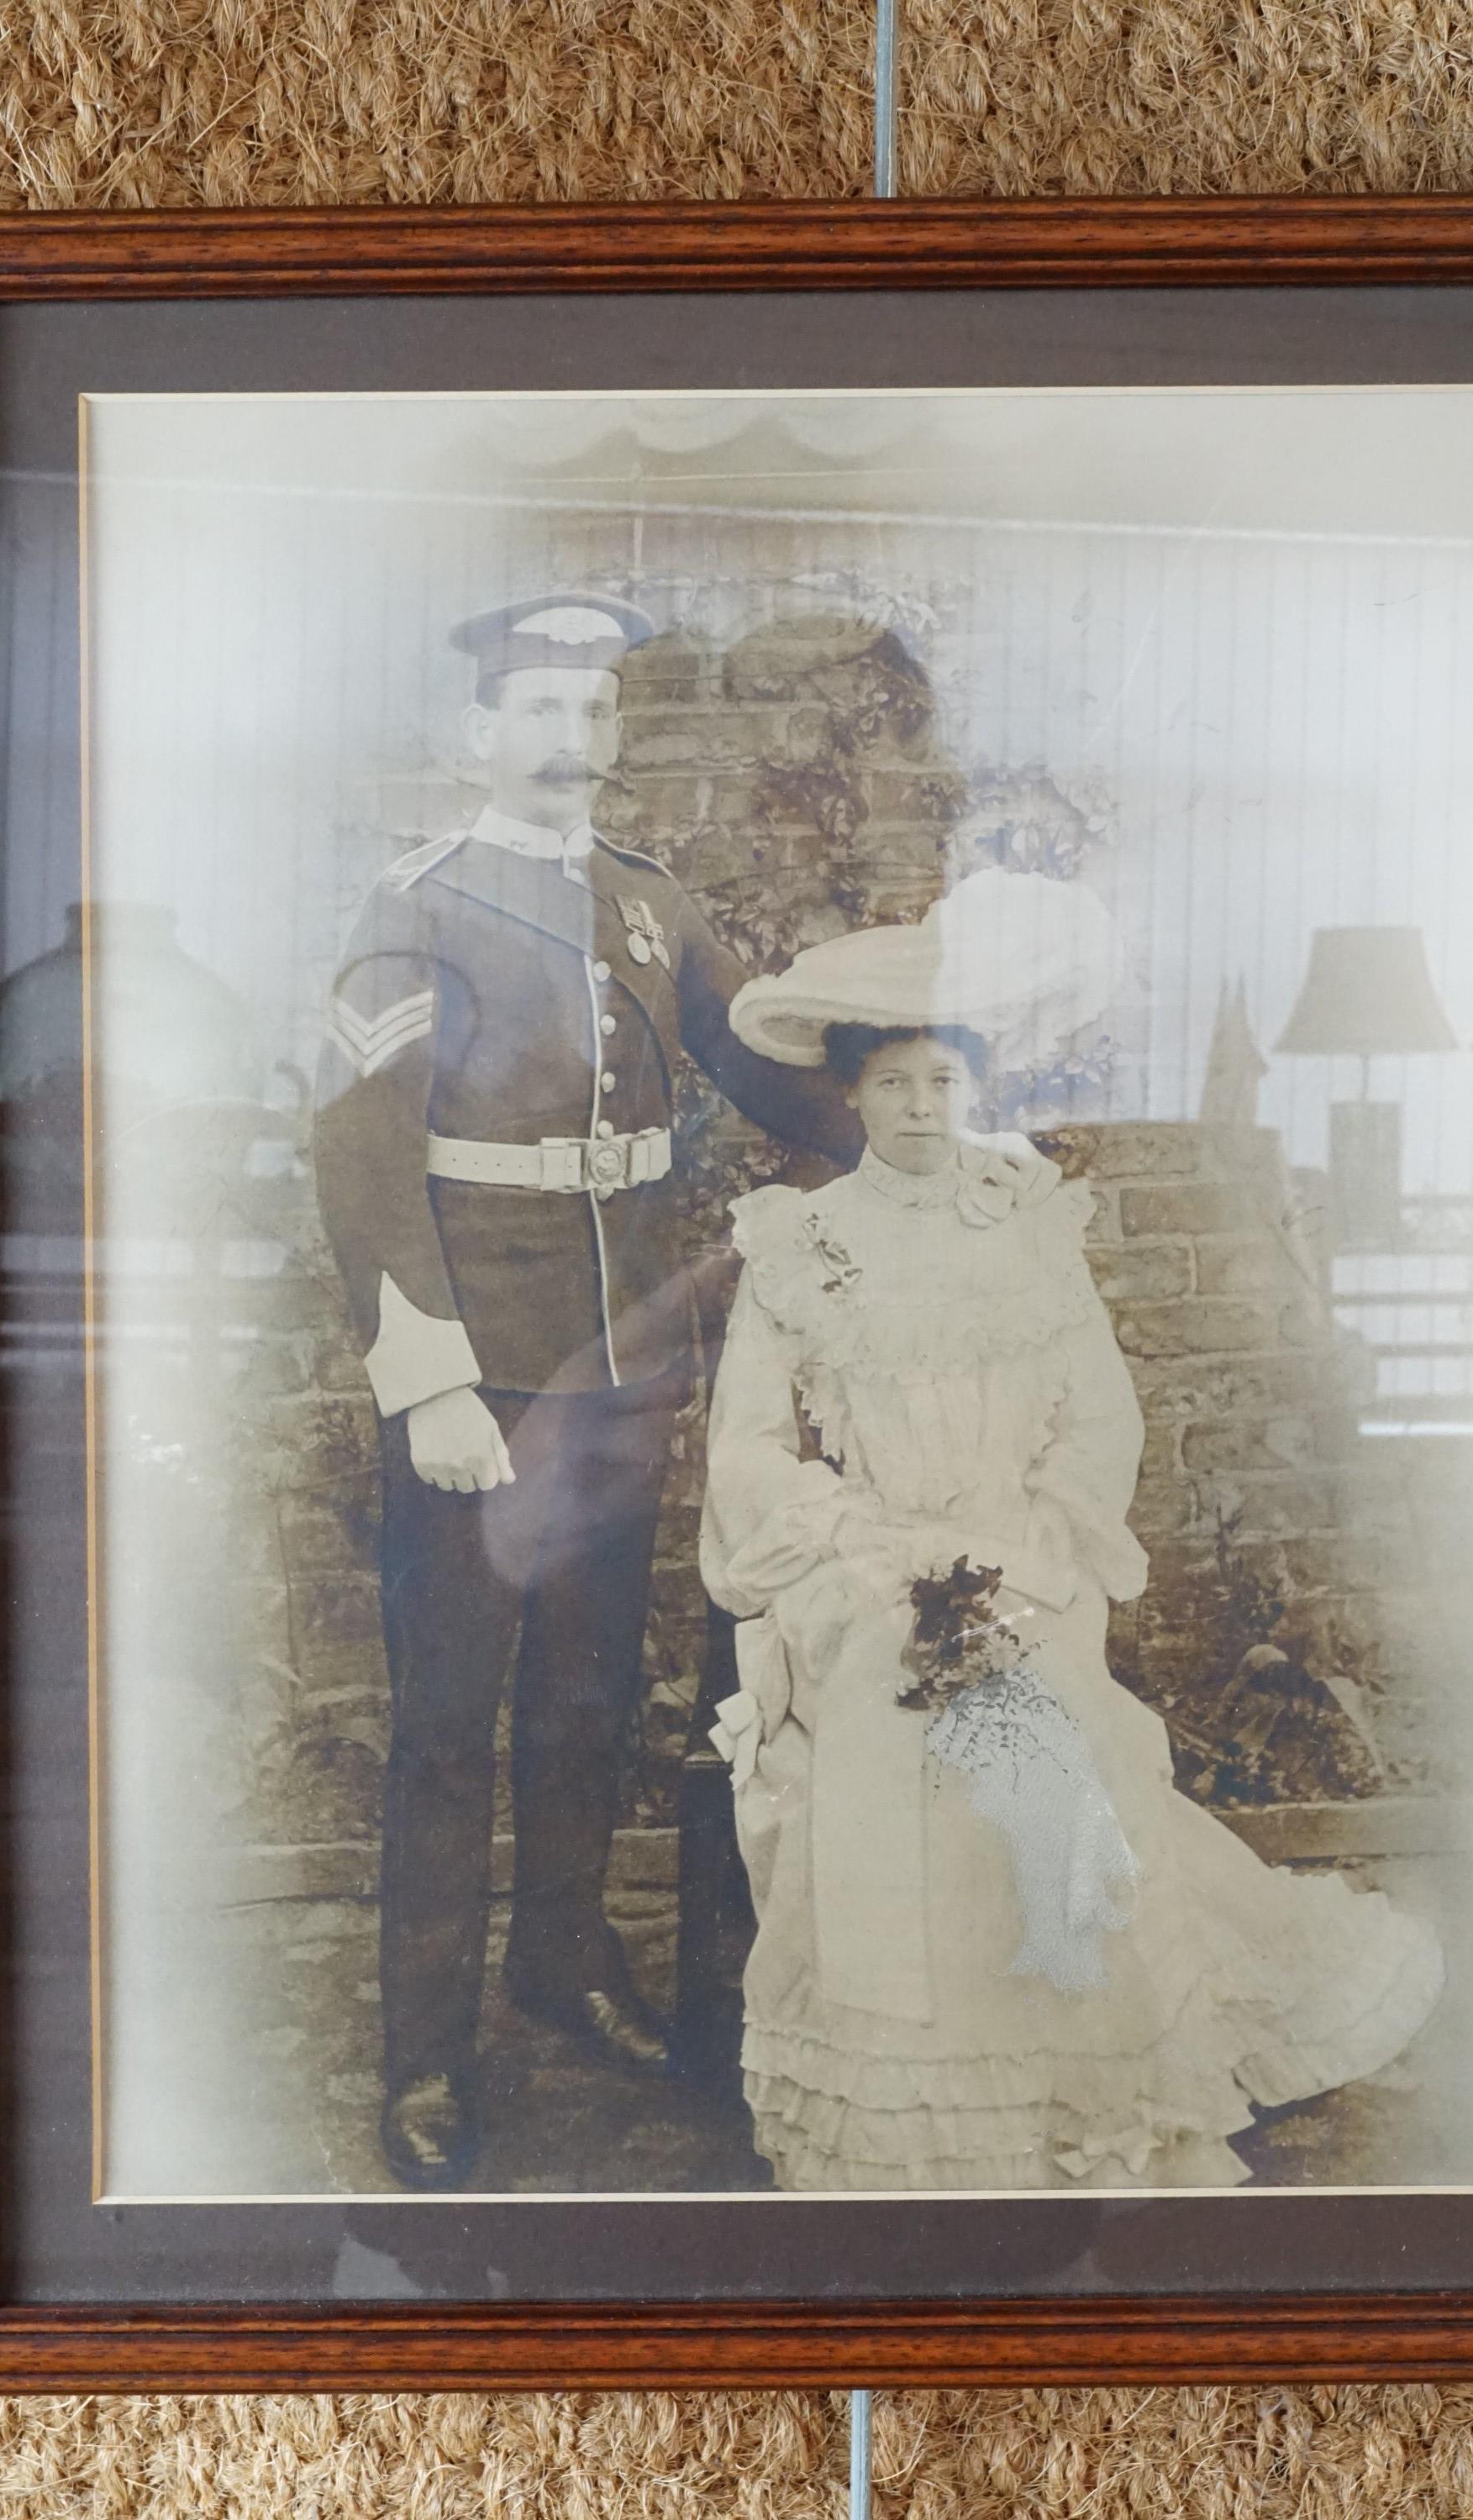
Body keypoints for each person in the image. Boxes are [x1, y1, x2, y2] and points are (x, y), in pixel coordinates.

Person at [700, 872, 1446, 2192]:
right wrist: (861, 1554)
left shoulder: (1025, 1224)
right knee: (886, 1711)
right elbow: (751, 1446)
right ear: (853, 1097)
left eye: (942, 1085)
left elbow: (1099, 1423)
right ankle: (916, 2107)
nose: (921, 1111)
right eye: (894, 1087)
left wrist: (1028, 1556)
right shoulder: (802, 1246)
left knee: (1041, 1727)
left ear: (971, 1090)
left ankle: (1090, 2078)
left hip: (1017, 1562)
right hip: (867, 1565)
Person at [312, 591, 871, 2189]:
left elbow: (763, 1071)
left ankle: (561, 1965)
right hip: (480, 1381)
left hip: (619, 1376)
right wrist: (427, 1384)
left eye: (593, 712)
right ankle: (424, 2054)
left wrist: (908, 1128)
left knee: (585, 1700)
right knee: (443, 1728)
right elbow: (361, 1165)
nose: (570, 738)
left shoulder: (649, 906)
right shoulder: (414, 906)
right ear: (479, 732)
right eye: (538, 710)